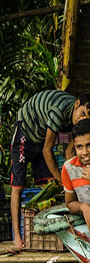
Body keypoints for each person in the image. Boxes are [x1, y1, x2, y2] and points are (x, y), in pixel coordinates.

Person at [9, 91, 90, 248]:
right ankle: (17, 237)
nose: (83, 118)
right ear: (76, 104)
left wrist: (68, 180)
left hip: (40, 137)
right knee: (18, 185)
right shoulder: (58, 112)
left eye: (87, 116)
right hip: (25, 131)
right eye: (82, 113)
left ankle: (50, 236)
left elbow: (69, 153)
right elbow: (47, 150)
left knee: (47, 184)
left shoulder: (77, 123)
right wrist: (62, 180)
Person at [62, 119, 90, 225]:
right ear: (74, 146)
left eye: (89, 145)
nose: (85, 152)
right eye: (79, 147)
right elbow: (70, 202)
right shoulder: (69, 168)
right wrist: (83, 207)